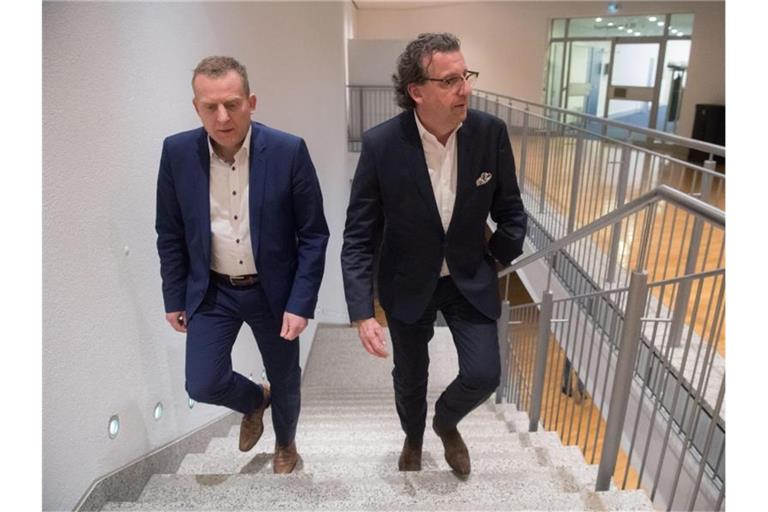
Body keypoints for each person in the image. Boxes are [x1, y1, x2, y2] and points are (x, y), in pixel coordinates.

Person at [341, 33, 527, 477]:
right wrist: (362, 311)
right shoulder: (382, 145)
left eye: (466, 76)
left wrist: (494, 259)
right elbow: (358, 235)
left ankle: (445, 422)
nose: (464, 88)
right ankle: (413, 437)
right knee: (410, 378)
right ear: (417, 92)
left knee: (484, 373)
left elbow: (512, 212)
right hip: (407, 282)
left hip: (468, 277)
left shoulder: (489, 133)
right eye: (449, 80)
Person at [155, 56, 329, 474]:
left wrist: (301, 302)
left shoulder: (288, 151)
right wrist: (174, 296)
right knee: (203, 381)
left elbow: (314, 234)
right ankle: (255, 401)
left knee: (286, 376)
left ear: (251, 102)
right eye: (210, 106)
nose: (222, 116)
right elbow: (170, 233)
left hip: (275, 292)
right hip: (213, 289)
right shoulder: (177, 153)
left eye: (232, 104)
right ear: (196, 107)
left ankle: (286, 445)